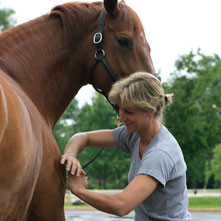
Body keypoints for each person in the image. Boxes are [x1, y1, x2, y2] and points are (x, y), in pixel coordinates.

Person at [60, 72, 192, 220]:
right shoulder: (135, 134)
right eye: (119, 109)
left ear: (150, 111)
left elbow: (121, 205)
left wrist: (79, 190)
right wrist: (71, 155)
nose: (121, 118)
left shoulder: (161, 154)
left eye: (128, 112)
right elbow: (83, 137)